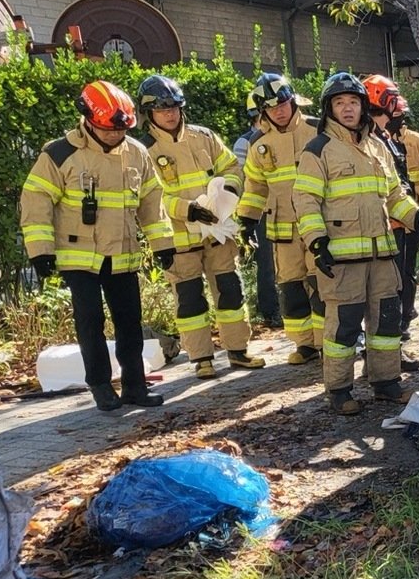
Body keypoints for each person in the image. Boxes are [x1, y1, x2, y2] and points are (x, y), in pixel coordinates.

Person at [293, 72, 419, 415]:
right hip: (342, 258)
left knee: (386, 324)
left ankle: (386, 383)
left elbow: (394, 195)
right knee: (344, 327)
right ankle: (339, 390)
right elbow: (305, 201)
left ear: (363, 106)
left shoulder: (378, 146)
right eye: (339, 103)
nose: (347, 109)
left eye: (353, 102)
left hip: (381, 255)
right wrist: (317, 243)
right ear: (328, 109)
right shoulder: (318, 150)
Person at [19, 81, 175, 411]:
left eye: (120, 130)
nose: (114, 136)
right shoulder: (60, 154)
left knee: (130, 321)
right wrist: (40, 249)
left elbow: (152, 202)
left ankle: (135, 386)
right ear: (88, 119)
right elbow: (36, 201)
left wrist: (163, 243)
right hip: (80, 257)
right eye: (107, 130)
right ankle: (101, 386)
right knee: (90, 322)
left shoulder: (136, 153)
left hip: (122, 253)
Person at [137, 75, 265, 380]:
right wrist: (187, 210)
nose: (170, 113)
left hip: (217, 231)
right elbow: (147, 197)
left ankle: (238, 351)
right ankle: (202, 359)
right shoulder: (144, 151)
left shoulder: (204, 136)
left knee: (230, 292)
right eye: (161, 109)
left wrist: (230, 192)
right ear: (149, 113)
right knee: (190, 299)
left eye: (174, 107)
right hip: (180, 238)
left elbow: (232, 167)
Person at [237, 73, 324, 365]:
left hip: (319, 225)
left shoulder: (318, 130)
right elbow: (255, 187)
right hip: (282, 229)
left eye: (283, 103)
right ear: (263, 111)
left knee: (322, 282)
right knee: (291, 286)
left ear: (292, 100)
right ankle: (305, 344)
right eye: (272, 107)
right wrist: (247, 220)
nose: (279, 110)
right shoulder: (259, 143)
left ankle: (331, 342)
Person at [364, 74, 419, 348]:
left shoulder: (388, 140)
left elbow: (398, 188)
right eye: (392, 105)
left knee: (403, 277)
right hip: (379, 227)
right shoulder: (367, 142)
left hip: (402, 222)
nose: (398, 114)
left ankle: (397, 331)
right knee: (385, 286)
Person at [232, 94, 282, 328]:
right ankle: (271, 312)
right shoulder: (247, 143)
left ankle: (280, 309)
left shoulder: (280, 137)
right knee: (267, 263)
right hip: (263, 210)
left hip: (283, 209)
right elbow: (246, 180)